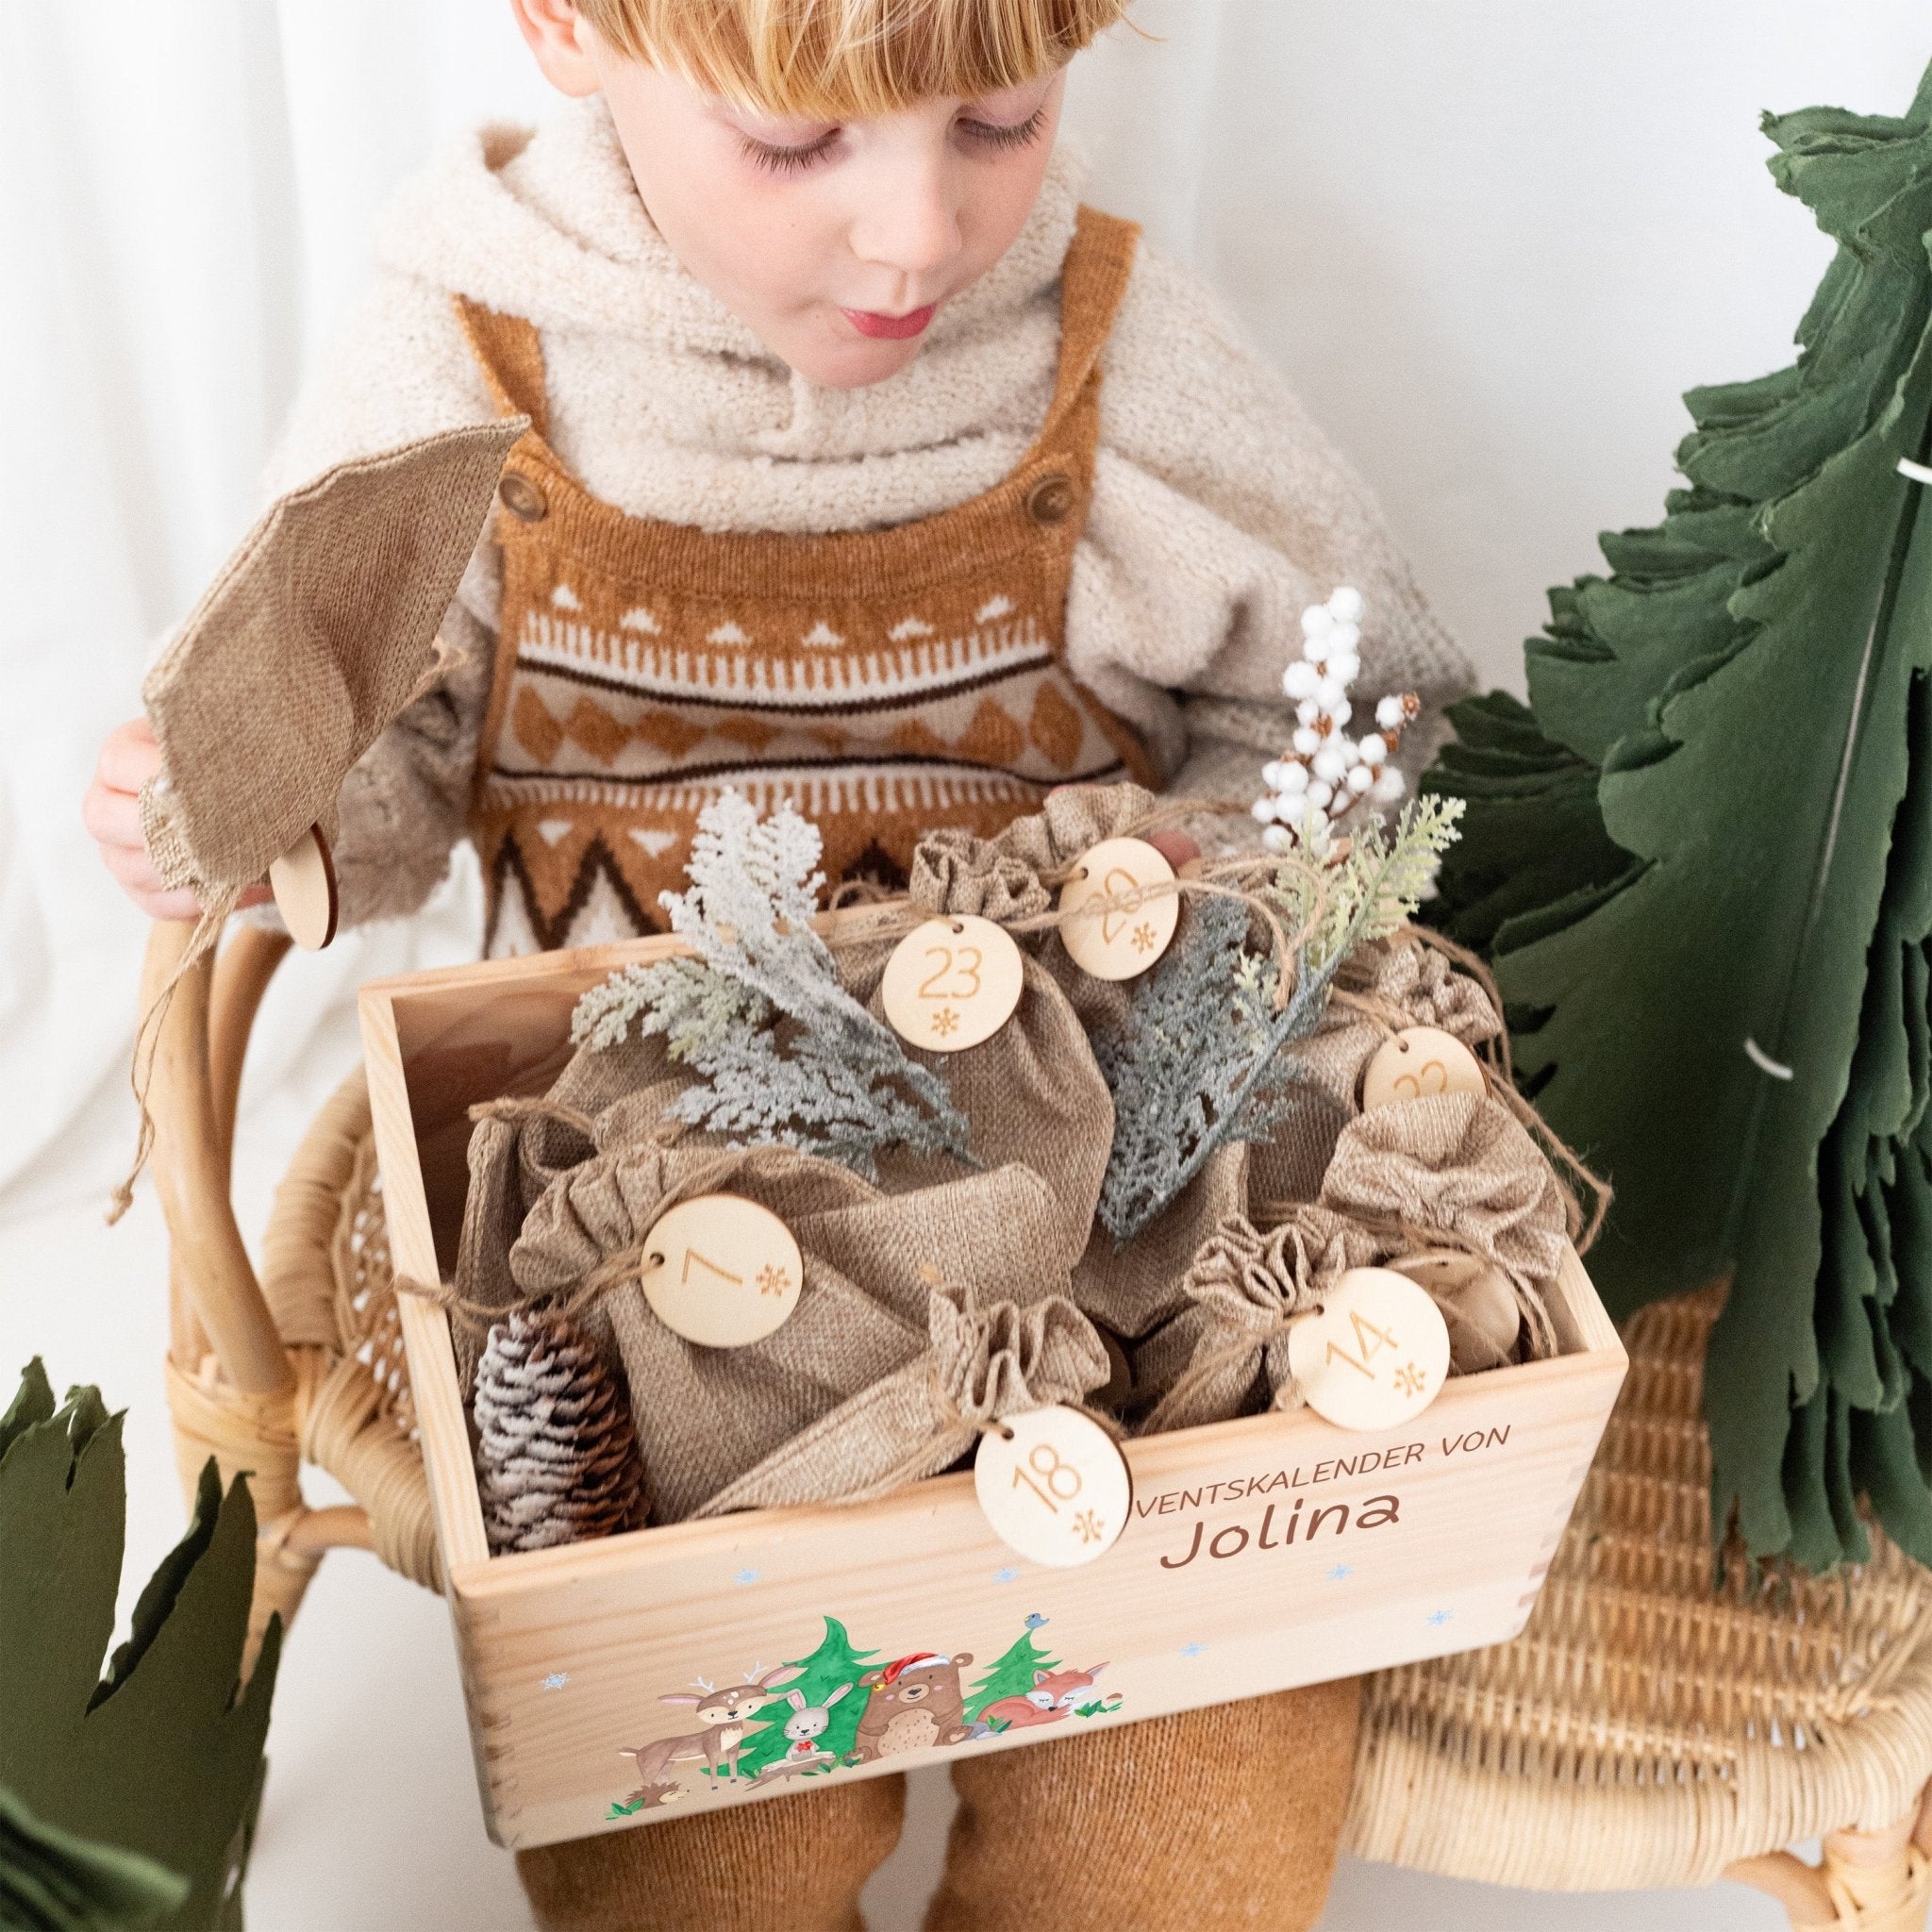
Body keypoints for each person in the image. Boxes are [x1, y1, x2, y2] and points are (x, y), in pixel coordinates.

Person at [84, 1, 1468, 1924]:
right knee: (686, 1759)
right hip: (632, 1212)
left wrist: (1209, 866)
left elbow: (1361, 710)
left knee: (1196, 1712)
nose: (914, 232)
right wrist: (246, 794)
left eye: (998, 115)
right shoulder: (468, 350)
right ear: (567, 29)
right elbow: (375, 775)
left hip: (1062, 1188)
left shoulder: (1113, 346)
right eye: (798, 149)